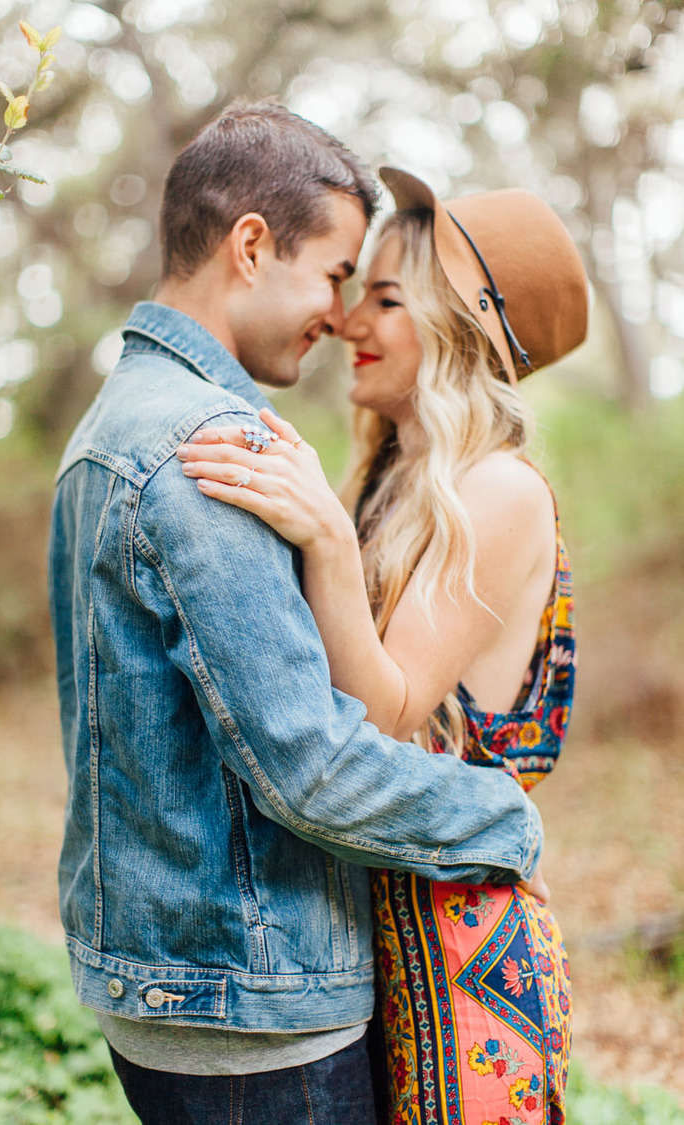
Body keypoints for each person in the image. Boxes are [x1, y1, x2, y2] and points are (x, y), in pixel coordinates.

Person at [49, 104, 545, 1125]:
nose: (344, 314)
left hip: (269, 976)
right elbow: (311, 765)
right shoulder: (207, 449)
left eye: (377, 294)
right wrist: (512, 821)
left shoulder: (129, 420)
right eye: (337, 278)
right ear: (250, 246)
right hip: (254, 1000)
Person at [177, 165, 588, 1124]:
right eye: (357, 292)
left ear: (462, 330)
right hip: (375, 940)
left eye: (389, 299)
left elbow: (388, 711)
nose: (352, 323)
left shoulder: (500, 491)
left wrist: (320, 534)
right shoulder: (396, 482)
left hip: (466, 961)